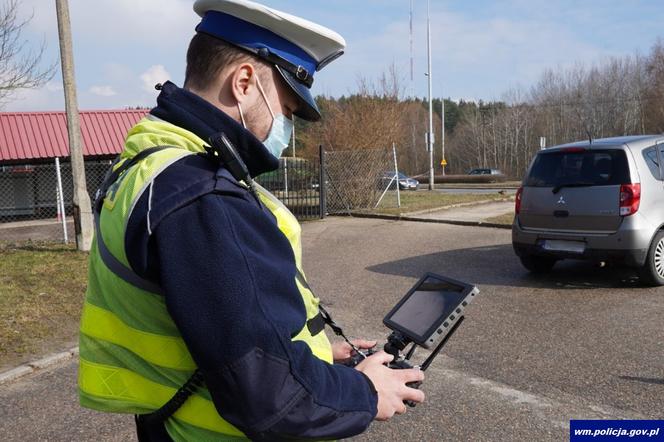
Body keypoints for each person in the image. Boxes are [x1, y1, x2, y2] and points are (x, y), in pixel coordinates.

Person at [78, 1, 424, 440]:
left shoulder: (147, 165)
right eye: (287, 107)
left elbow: (216, 328)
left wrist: (313, 353)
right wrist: (364, 390)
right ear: (244, 82)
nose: (287, 124)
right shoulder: (204, 196)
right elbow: (270, 394)